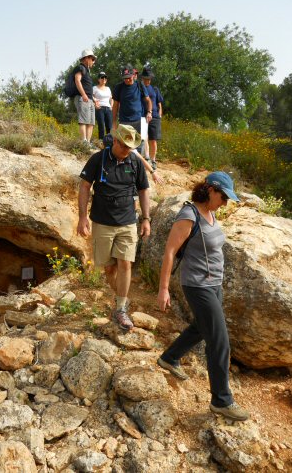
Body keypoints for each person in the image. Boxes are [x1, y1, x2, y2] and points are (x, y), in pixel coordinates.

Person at [157, 172, 250, 421]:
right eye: (223, 196)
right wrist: (163, 288)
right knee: (219, 341)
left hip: (214, 283)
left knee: (201, 327)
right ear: (210, 189)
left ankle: (169, 357)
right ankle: (222, 400)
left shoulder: (211, 212)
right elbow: (170, 251)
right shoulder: (189, 215)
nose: (225, 202)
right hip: (197, 285)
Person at [77, 124, 151, 330]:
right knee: (109, 268)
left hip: (127, 222)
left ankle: (120, 308)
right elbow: (84, 187)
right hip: (102, 222)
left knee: (125, 264)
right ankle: (121, 297)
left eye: (130, 147)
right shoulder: (98, 159)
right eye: (124, 146)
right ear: (115, 141)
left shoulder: (135, 162)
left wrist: (146, 218)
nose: (127, 150)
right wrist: (82, 217)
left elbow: (144, 190)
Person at [112, 64, 152, 155]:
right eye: (125, 78)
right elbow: (115, 105)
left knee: (138, 145)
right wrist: (113, 122)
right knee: (125, 145)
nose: (127, 80)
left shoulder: (139, 85)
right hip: (124, 121)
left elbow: (148, 100)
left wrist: (149, 112)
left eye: (129, 77)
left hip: (138, 120)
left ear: (133, 75)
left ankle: (137, 165)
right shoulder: (119, 87)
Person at [141, 66, 163, 171]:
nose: (148, 81)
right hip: (142, 116)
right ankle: (147, 158)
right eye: (146, 79)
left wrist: (159, 114)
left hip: (154, 116)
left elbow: (159, 103)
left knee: (153, 139)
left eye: (149, 79)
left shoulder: (155, 89)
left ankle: (153, 160)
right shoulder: (139, 88)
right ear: (142, 78)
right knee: (144, 138)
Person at [74, 49, 97, 148]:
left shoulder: (87, 71)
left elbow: (87, 86)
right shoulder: (80, 68)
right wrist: (83, 94)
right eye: (92, 59)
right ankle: (84, 141)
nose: (93, 61)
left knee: (91, 122)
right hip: (83, 98)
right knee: (83, 120)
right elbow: (77, 80)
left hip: (89, 99)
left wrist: (94, 99)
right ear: (86, 58)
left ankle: (87, 142)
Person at [93, 71, 113, 140]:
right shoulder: (95, 88)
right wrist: (95, 103)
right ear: (98, 79)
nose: (104, 79)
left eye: (105, 78)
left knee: (109, 127)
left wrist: (111, 106)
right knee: (101, 126)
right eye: (102, 77)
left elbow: (111, 98)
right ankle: (101, 142)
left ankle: (109, 143)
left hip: (108, 108)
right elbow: (91, 97)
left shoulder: (108, 88)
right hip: (100, 108)